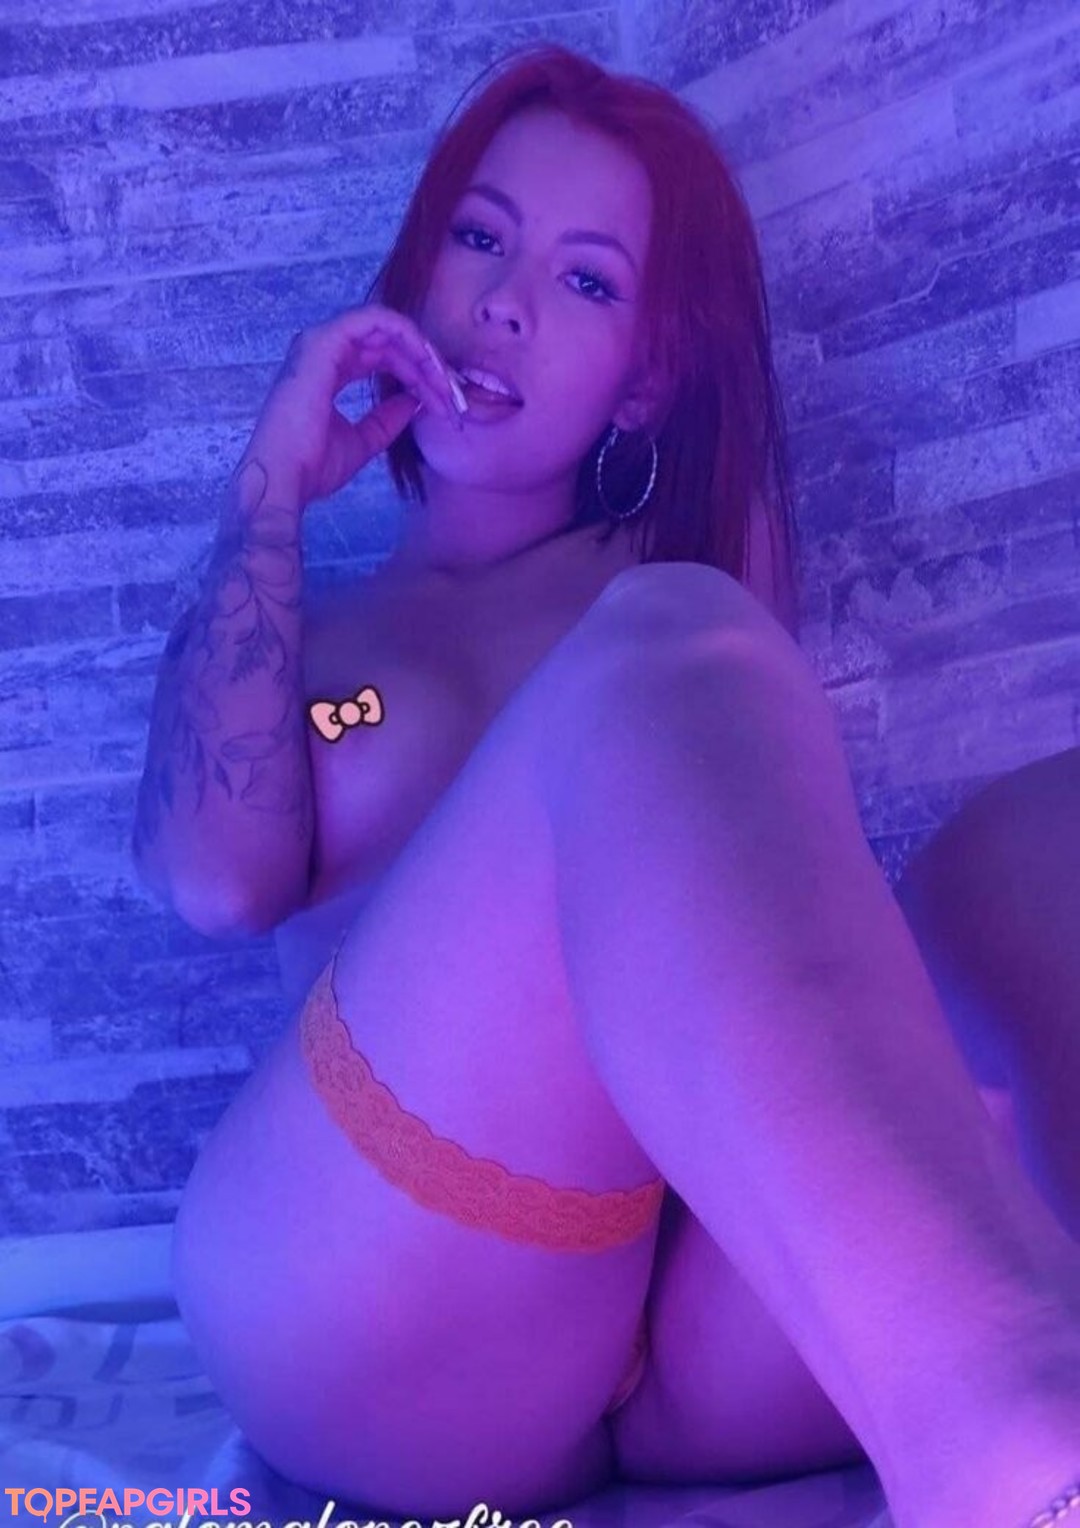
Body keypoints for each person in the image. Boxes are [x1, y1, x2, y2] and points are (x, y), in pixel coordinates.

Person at [131, 41, 1080, 1528]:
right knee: (663, 644)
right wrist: (270, 490)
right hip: (394, 1304)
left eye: (584, 280)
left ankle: (1009, 1398)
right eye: (478, 237)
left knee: (1037, 839)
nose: (504, 302)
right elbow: (214, 881)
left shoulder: (677, 589)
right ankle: (999, 1419)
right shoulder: (325, 663)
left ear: (644, 383)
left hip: (709, 1322)